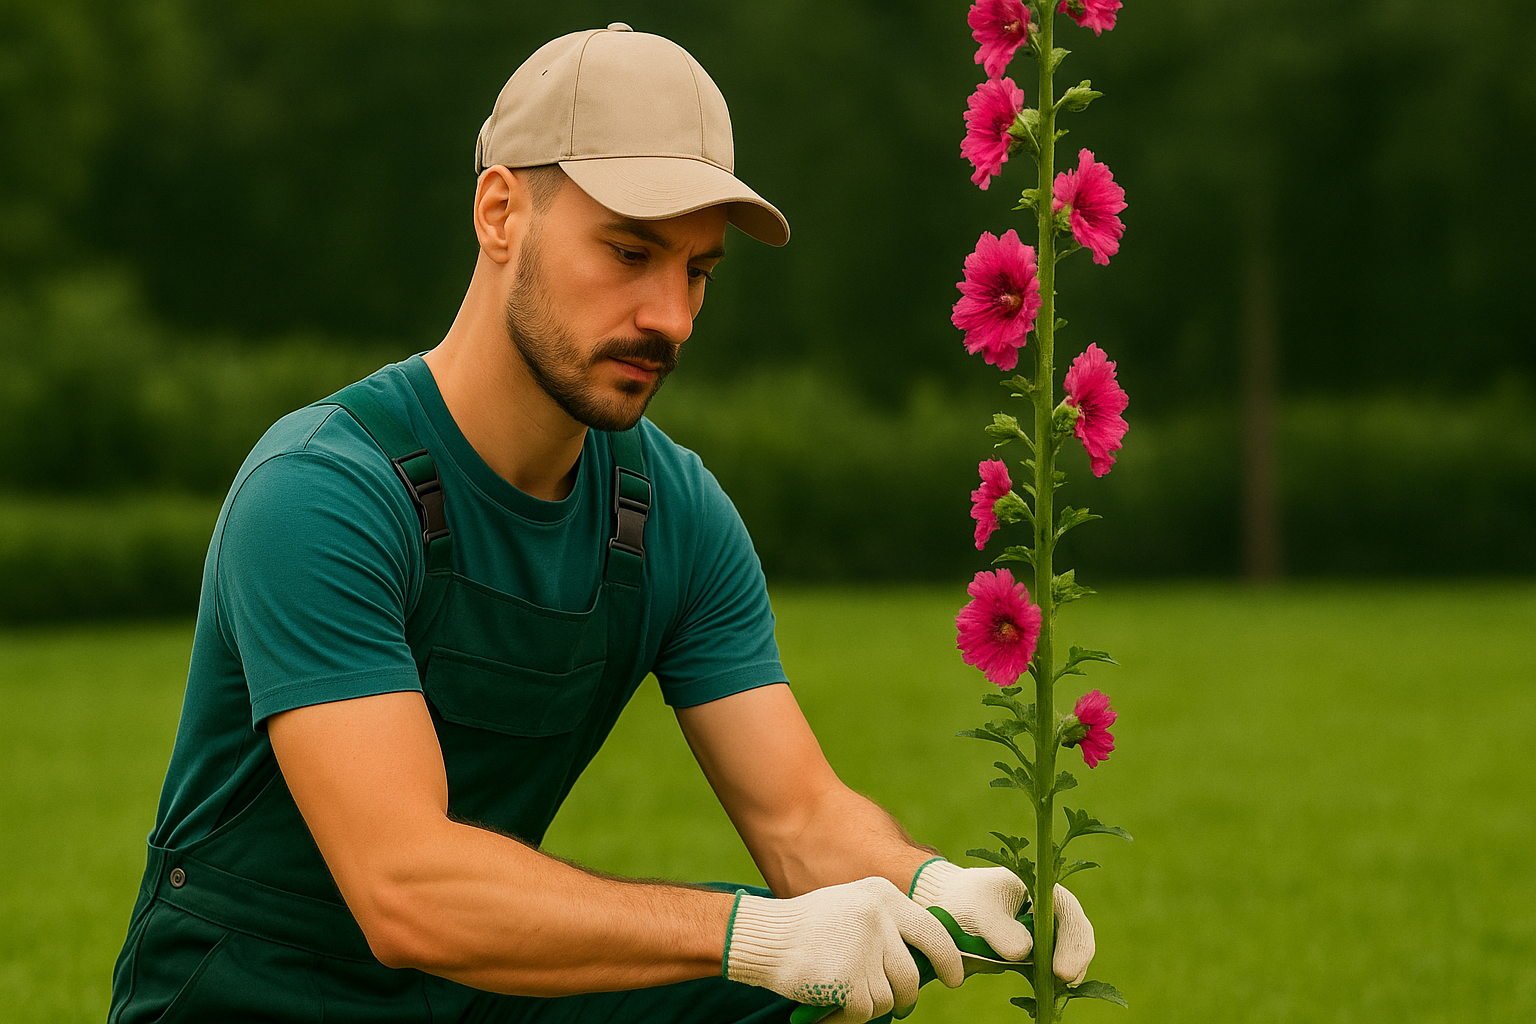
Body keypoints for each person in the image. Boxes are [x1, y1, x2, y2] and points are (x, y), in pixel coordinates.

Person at [108, 23, 1096, 1024]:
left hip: (466, 993)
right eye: (630, 251)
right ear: (501, 212)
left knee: (817, 984)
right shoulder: (322, 492)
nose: (669, 315)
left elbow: (800, 817)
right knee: (762, 957)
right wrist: (750, 934)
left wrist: (924, 886)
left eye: (698, 272)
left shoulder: (674, 515)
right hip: (249, 998)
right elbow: (405, 886)